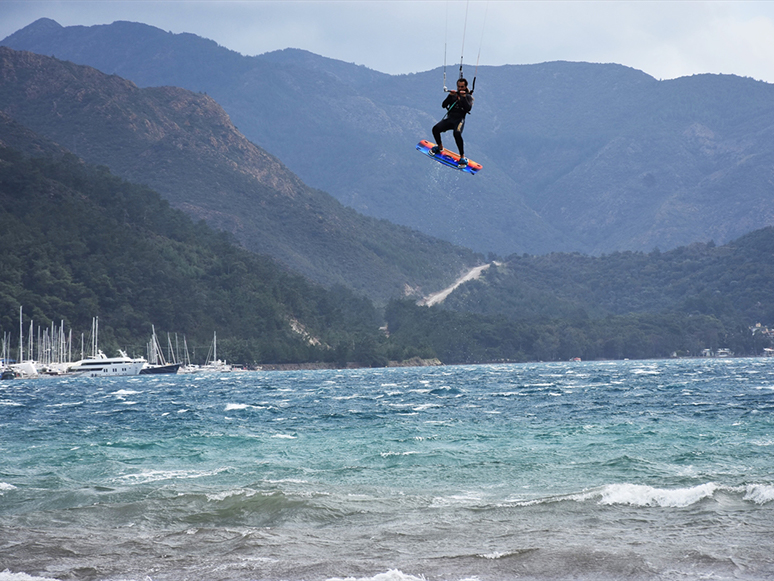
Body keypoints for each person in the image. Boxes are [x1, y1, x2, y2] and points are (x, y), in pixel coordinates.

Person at [431, 77, 474, 165]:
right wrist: (450, 96)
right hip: (450, 119)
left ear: (465, 87)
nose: (460, 88)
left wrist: (463, 97)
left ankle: (462, 157)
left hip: (459, 120)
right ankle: (440, 147)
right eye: (459, 87)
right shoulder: (453, 95)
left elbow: (468, 108)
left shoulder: (468, 97)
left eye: (462, 87)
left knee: (457, 133)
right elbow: (443, 105)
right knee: (435, 129)